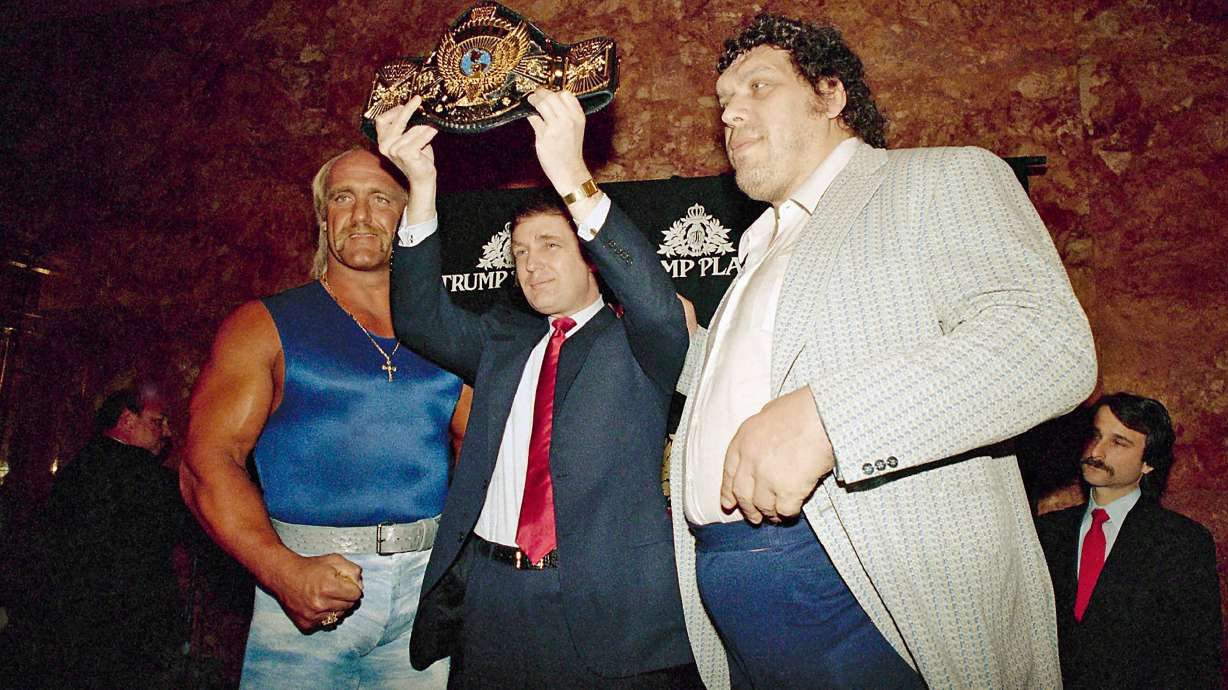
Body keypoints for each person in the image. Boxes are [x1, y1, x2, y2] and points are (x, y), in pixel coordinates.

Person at [668, 12, 1099, 689]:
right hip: (744, 617)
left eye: (757, 86)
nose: (731, 114)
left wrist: (829, 420)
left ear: (831, 95)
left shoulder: (940, 178)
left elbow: (1047, 345)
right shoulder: (758, 246)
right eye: (723, 101)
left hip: (870, 602)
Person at [373, 90, 695, 687]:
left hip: (608, 613)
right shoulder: (503, 341)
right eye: (520, 252)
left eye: (551, 246)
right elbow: (417, 319)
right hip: (491, 603)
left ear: (593, 259)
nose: (531, 264)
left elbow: (654, 304)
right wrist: (420, 187)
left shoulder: (640, 343)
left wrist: (573, 176)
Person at [180, 147, 467, 688]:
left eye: (381, 199)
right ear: (322, 215)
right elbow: (207, 462)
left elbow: (490, 455)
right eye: (343, 198)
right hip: (307, 585)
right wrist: (281, 570)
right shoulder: (263, 324)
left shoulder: (447, 332)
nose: (361, 216)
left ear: (408, 214)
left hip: (424, 599)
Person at [1035, 393, 1222, 689]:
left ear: (1148, 462)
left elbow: (1199, 661)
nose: (1096, 450)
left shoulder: (1182, 543)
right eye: (1095, 435)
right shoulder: (1044, 533)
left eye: (1118, 442)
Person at [28, 388, 184, 688]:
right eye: (158, 421)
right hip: (128, 627)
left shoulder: (75, 468)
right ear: (127, 419)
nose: (167, 431)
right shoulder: (146, 476)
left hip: (68, 620)